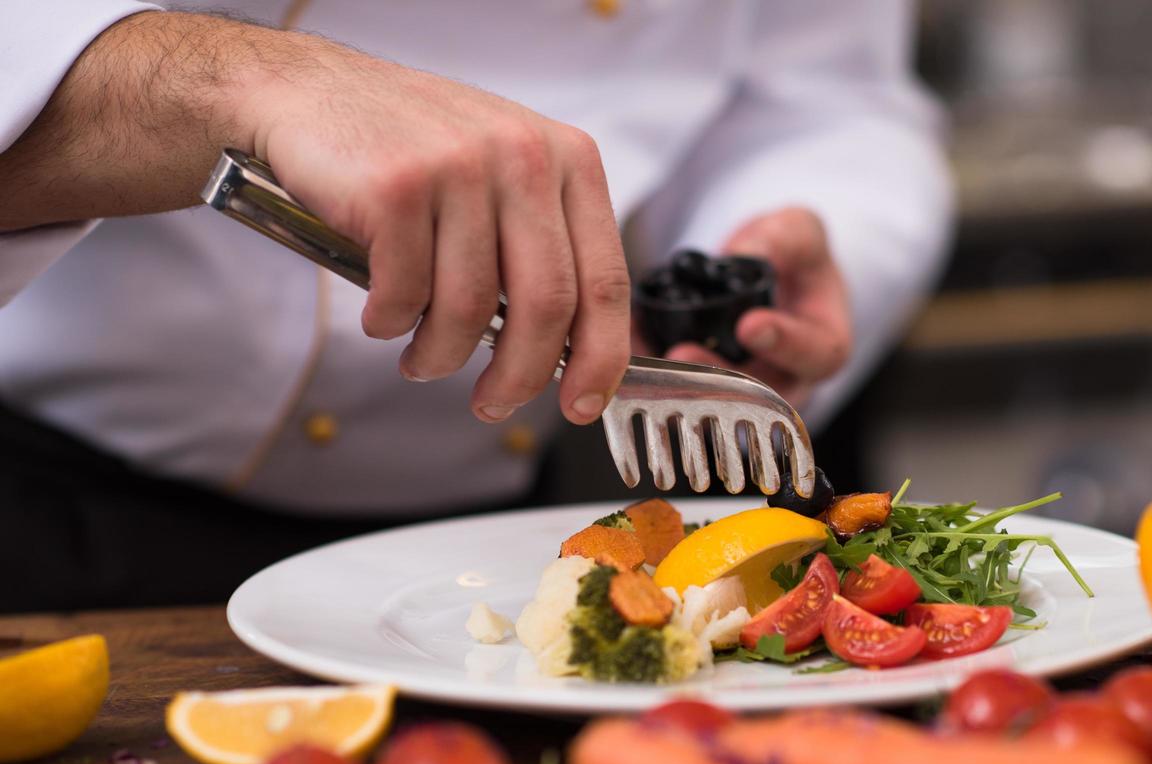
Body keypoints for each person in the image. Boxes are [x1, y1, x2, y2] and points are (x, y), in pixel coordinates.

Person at [0, 1, 952, 612]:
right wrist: (241, 80)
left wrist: (774, 226)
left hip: (489, 562)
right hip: (55, 521)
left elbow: (822, 92)